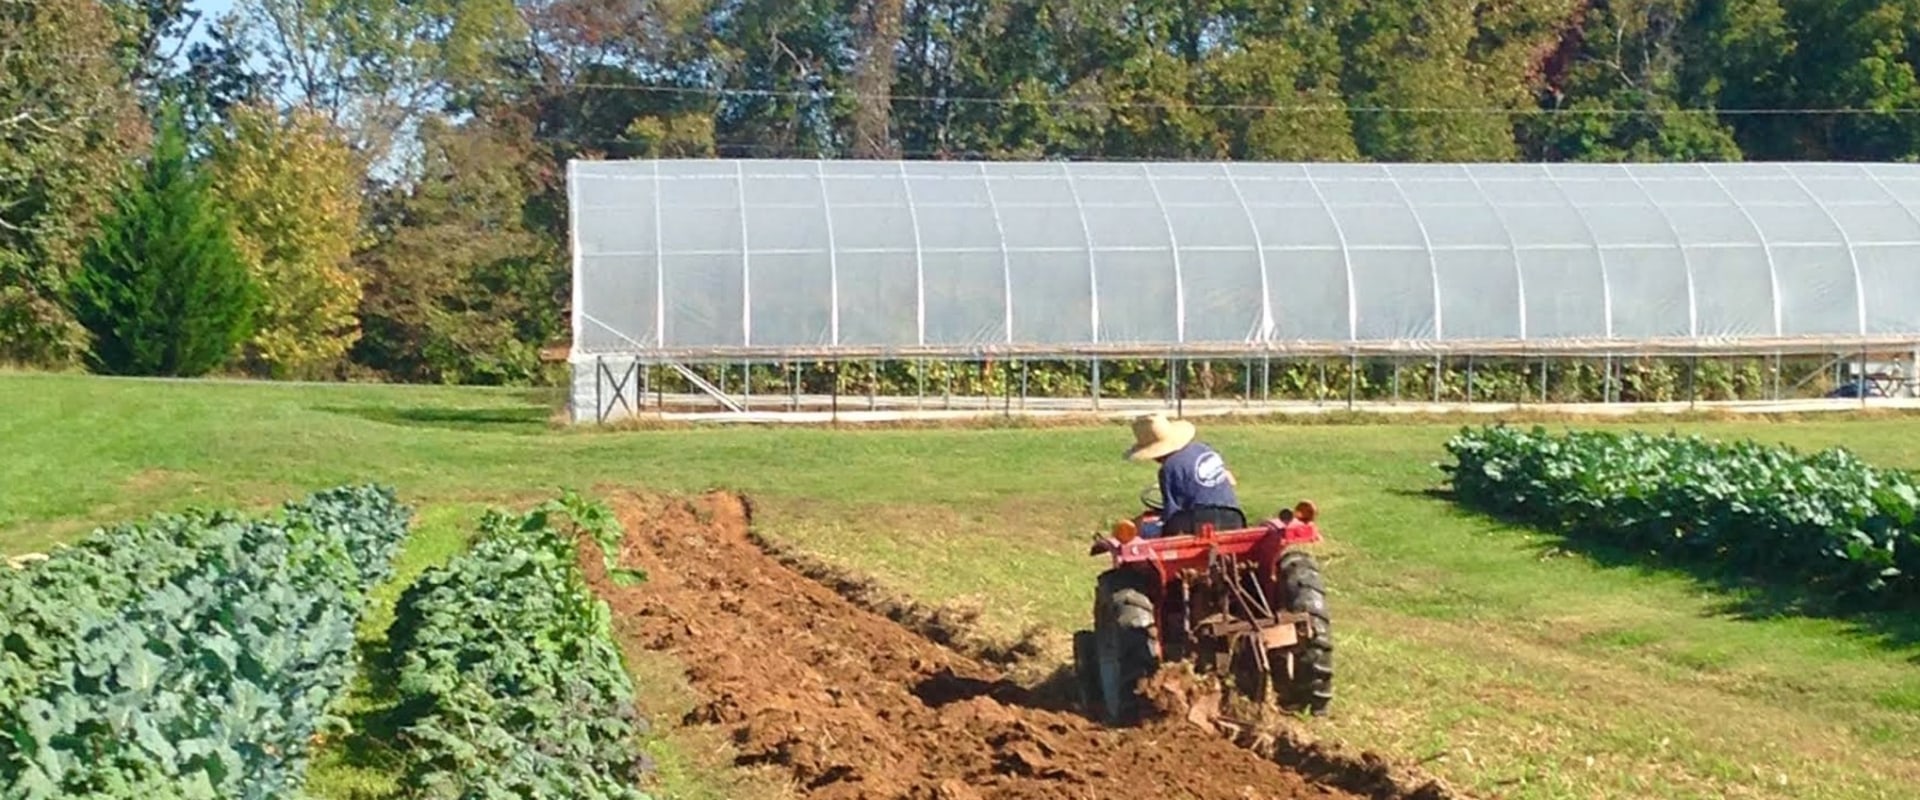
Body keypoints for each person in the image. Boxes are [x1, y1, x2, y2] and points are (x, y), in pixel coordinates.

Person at [1123, 413, 1246, 537]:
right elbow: (1229, 481)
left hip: (1196, 523)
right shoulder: (1204, 449)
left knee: (1146, 530)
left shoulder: (1169, 468)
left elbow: (1172, 512)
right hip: (1234, 518)